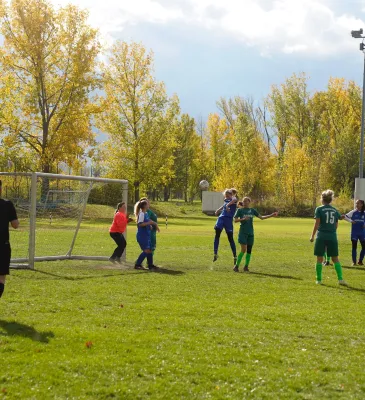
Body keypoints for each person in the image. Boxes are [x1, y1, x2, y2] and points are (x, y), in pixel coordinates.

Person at [310, 190, 347, 286]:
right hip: (332, 236)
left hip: (321, 236)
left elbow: (317, 224)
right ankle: (340, 279)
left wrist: (312, 236)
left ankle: (319, 280)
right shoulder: (335, 210)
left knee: (319, 259)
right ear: (331, 200)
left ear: (322, 199)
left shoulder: (319, 209)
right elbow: (337, 222)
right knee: (335, 259)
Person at [233, 197, 278, 272]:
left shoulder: (252, 210)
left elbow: (261, 217)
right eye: (244, 201)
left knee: (249, 250)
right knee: (243, 250)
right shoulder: (240, 210)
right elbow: (235, 220)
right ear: (242, 202)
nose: (245, 203)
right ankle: (236, 266)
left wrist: (271, 215)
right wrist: (243, 219)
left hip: (250, 233)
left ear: (249, 202)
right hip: (243, 232)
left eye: (247, 201)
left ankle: (246, 266)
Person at [0, 179, 19, 299]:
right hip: (3, 245)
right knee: (1, 277)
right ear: (1, 189)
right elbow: (15, 224)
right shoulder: (7, 204)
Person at [213, 189, 237, 265]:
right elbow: (224, 205)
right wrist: (218, 210)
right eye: (225, 195)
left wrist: (227, 205)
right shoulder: (226, 200)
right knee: (217, 235)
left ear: (231, 195)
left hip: (228, 221)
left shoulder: (234, 199)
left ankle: (235, 256)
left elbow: (233, 200)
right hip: (221, 218)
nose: (226, 196)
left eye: (228, 195)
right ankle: (215, 254)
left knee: (230, 238)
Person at [134, 200, 160, 271]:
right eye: (147, 204)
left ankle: (150, 265)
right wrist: (149, 223)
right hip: (142, 235)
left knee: (150, 250)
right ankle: (137, 264)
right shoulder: (141, 214)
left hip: (146, 235)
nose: (149, 204)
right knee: (147, 250)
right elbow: (140, 224)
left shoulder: (145, 213)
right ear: (145, 206)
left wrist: (149, 226)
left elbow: (146, 223)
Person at [343, 199, 365, 266]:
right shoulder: (353, 212)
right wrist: (351, 221)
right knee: (354, 247)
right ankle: (354, 262)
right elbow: (345, 216)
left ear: (362, 204)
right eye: (356, 203)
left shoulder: (364, 212)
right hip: (354, 233)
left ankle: (360, 261)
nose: (356, 205)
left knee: (364, 247)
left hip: (362, 233)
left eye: (358, 203)